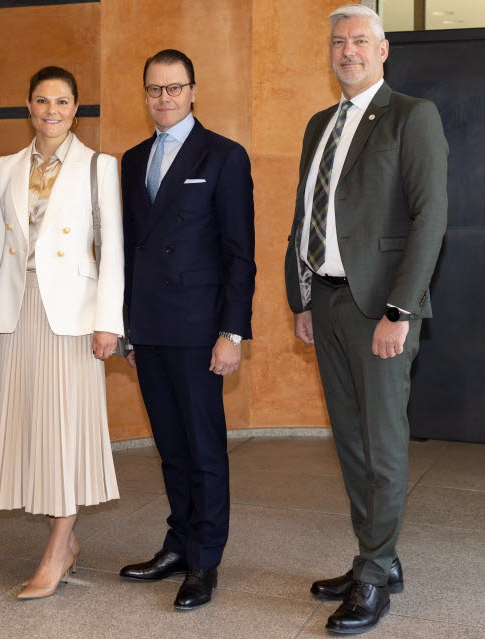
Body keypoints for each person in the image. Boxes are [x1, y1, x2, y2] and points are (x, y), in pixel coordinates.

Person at [284, 5, 447, 634]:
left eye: (359, 41)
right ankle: (374, 557)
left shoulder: (412, 116)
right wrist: (301, 298)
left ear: (383, 50)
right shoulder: (318, 124)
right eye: (338, 41)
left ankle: (376, 572)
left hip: (379, 306)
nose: (346, 50)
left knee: (382, 444)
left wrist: (399, 310)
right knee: (351, 442)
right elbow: (307, 214)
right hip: (324, 302)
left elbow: (429, 219)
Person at [0, 66, 123, 600]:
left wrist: (108, 322)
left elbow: (112, 252)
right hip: (18, 311)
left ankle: (57, 550)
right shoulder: (6, 167)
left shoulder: (97, 167)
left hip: (73, 316)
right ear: (29, 107)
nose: (52, 111)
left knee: (64, 430)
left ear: (76, 108)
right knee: (32, 428)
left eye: (62, 102)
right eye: (42, 101)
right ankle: (67, 538)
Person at [118, 49, 255, 611]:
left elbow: (239, 254)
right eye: (154, 89)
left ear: (193, 91)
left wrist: (233, 331)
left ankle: (205, 559)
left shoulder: (223, 155)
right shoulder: (130, 160)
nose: (164, 99)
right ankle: (178, 541)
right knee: (170, 447)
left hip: (201, 328)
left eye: (174, 88)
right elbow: (126, 251)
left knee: (203, 449)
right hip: (148, 325)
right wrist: (123, 326)